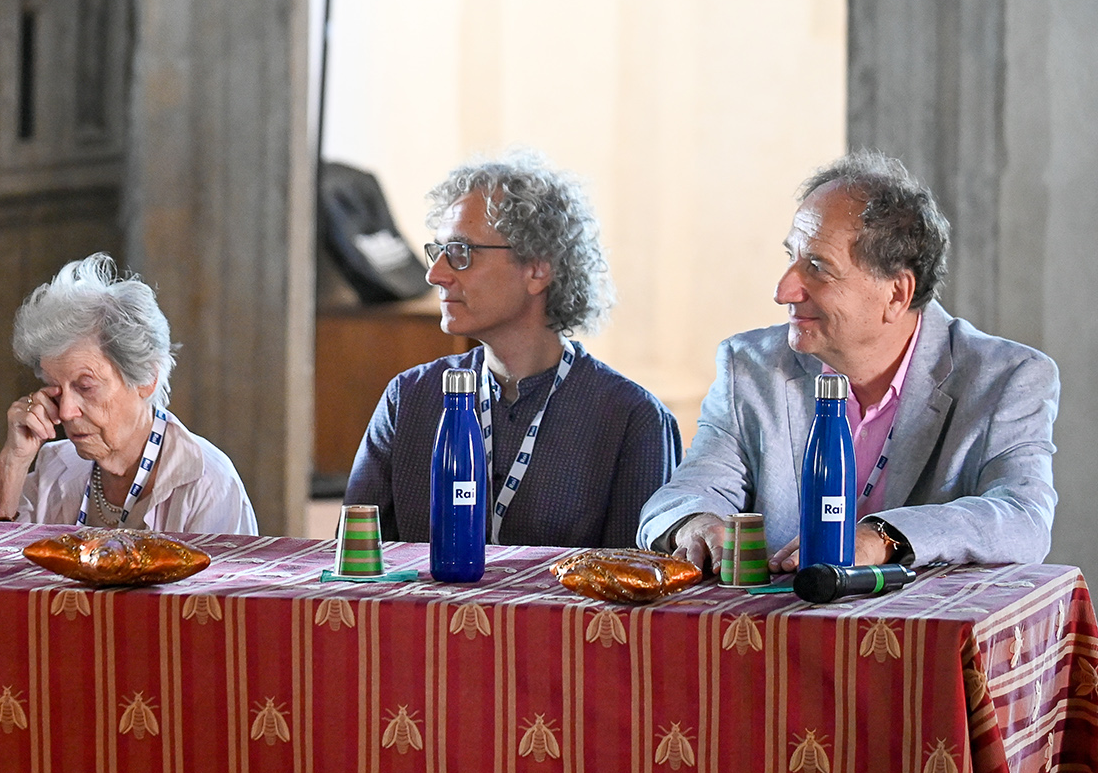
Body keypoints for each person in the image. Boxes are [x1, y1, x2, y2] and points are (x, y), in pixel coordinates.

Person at [640, 153, 1058, 569]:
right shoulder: (749, 367)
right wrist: (695, 523)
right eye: (791, 258)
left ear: (896, 293)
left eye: (817, 267)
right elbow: (687, 493)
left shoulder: (1006, 378)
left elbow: (1023, 519)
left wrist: (883, 538)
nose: (783, 291)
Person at [344, 153, 680, 548]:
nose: (434, 274)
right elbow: (356, 562)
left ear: (537, 269)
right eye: (439, 252)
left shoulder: (632, 418)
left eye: (461, 253)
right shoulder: (409, 398)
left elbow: (633, 578)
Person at [0, 254, 257, 534]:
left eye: (86, 387)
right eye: (56, 389)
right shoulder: (55, 467)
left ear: (146, 379)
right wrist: (13, 464)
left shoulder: (207, 483)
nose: (66, 411)